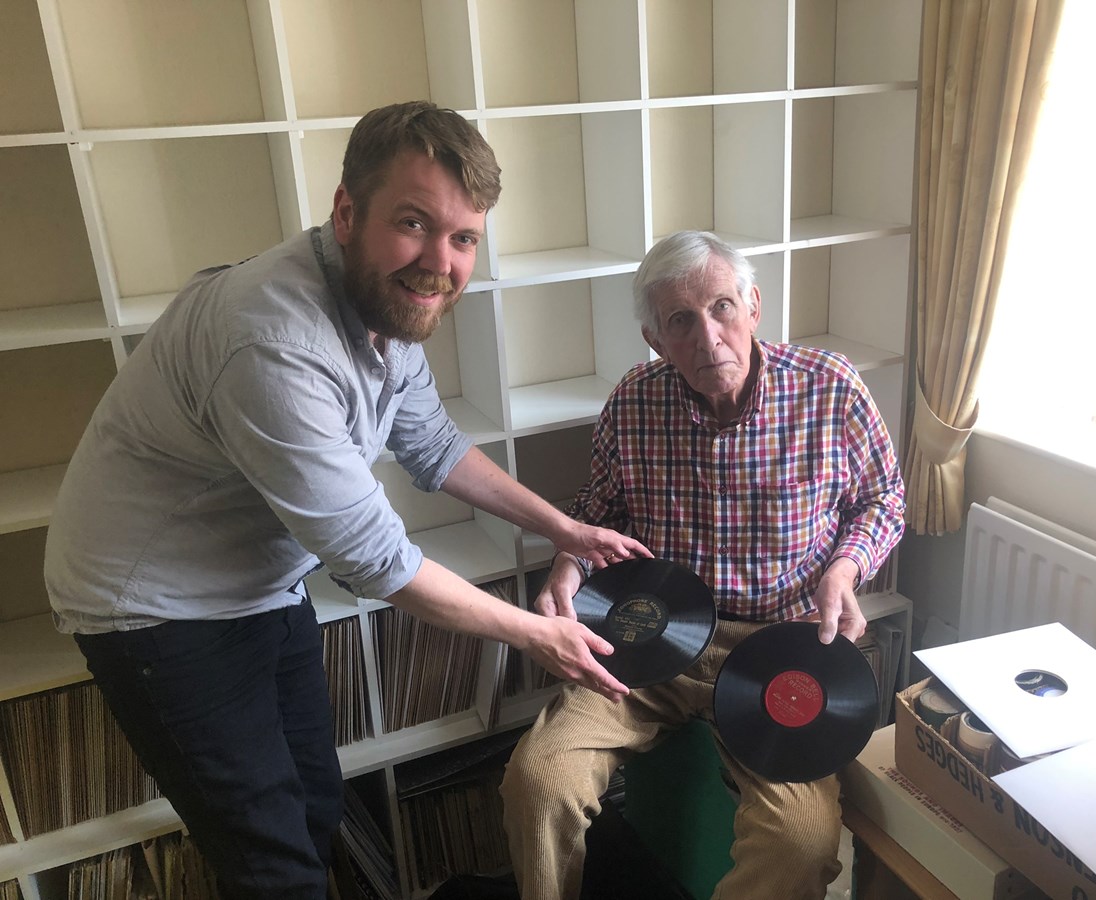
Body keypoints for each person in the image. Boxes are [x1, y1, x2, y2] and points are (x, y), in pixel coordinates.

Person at [42, 101, 647, 900]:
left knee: (318, 807)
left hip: (258, 582)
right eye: (413, 223)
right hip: (154, 612)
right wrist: (538, 634)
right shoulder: (273, 340)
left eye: (463, 238)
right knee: (271, 860)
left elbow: (431, 445)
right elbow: (376, 561)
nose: (441, 262)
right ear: (345, 210)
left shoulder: (388, 307)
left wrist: (565, 527)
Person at [500, 230, 905, 900]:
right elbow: (597, 513)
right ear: (656, 339)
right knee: (538, 779)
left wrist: (845, 569)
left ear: (753, 307)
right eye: (680, 321)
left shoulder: (830, 389)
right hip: (654, 634)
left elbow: (883, 498)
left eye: (721, 307)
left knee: (801, 840)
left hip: (781, 647)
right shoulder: (633, 401)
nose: (707, 336)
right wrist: (565, 572)